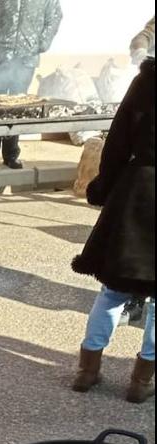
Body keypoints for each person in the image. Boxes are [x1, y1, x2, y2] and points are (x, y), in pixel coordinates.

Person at [69, 56, 154, 403]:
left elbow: (118, 139)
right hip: (139, 189)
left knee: (113, 291)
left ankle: (87, 372)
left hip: (137, 191)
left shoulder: (148, 81)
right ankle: (141, 382)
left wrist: (105, 187)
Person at [0, 0, 62, 170]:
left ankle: (11, 154)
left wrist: (41, 43)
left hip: (25, 62)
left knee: (18, 108)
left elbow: (55, 18)